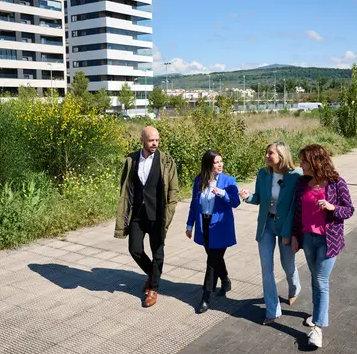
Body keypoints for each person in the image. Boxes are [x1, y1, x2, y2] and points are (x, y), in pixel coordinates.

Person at [291, 144, 354, 348]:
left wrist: (332, 207)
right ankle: (317, 314)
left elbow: (349, 209)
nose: (300, 164)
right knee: (315, 280)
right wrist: (295, 236)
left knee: (320, 280)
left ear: (315, 162)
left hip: (329, 240)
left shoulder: (337, 183)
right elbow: (297, 213)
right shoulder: (302, 183)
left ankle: (317, 328)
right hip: (308, 239)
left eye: (303, 160)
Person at [115, 126, 179, 308]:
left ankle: (154, 288)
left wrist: (168, 213)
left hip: (158, 214)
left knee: (158, 252)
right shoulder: (131, 160)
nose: (155, 144)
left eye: (157, 140)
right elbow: (125, 186)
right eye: (151, 140)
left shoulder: (165, 160)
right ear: (142, 140)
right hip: (137, 214)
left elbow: (174, 190)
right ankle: (153, 275)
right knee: (135, 249)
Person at [239, 142, 302, 325]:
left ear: (281, 155)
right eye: (266, 153)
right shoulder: (263, 174)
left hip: (285, 227)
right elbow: (259, 198)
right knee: (267, 269)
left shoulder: (295, 176)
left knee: (287, 265)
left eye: (270, 153)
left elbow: (293, 208)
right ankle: (273, 310)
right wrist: (247, 196)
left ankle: (294, 288)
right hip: (266, 225)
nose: (267, 156)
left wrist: (287, 232)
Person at [185, 150, 240, 314]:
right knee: (215, 258)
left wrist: (222, 193)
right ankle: (225, 280)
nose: (220, 165)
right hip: (204, 225)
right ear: (209, 164)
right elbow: (194, 205)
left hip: (220, 227)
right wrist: (189, 225)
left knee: (211, 261)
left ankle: (205, 297)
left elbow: (235, 202)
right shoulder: (199, 180)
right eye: (216, 162)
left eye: (221, 161)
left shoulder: (228, 181)